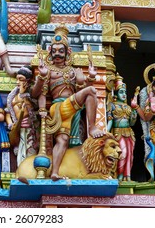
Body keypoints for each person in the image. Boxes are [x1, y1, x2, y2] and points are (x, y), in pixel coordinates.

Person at [31, 24, 104, 181]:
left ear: (67, 52)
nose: (58, 54)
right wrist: (42, 78)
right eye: (55, 51)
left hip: (72, 108)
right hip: (59, 107)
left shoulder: (73, 71)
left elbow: (84, 94)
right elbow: (37, 93)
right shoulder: (48, 70)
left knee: (63, 141)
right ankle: (92, 127)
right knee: (90, 91)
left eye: (61, 51)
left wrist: (90, 78)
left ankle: (55, 172)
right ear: (50, 52)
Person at [5, 65, 38, 166]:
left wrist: (24, 94)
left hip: (28, 128)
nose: (17, 82)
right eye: (17, 79)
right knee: (20, 153)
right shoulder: (12, 96)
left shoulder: (30, 95)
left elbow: (30, 110)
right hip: (17, 129)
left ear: (27, 81)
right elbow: (7, 112)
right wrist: (11, 124)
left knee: (29, 152)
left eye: (21, 79)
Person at [107, 73, 137, 181]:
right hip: (117, 132)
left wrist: (134, 109)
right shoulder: (112, 105)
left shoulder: (128, 107)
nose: (124, 94)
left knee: (130, 155)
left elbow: (132, 122)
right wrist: (106, 132)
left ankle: (127, 176)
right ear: (115, 93)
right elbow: (110, 120)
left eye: (125, 92)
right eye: (121, 92)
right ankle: (119, 176)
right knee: (122, 154)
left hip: (129, 132)